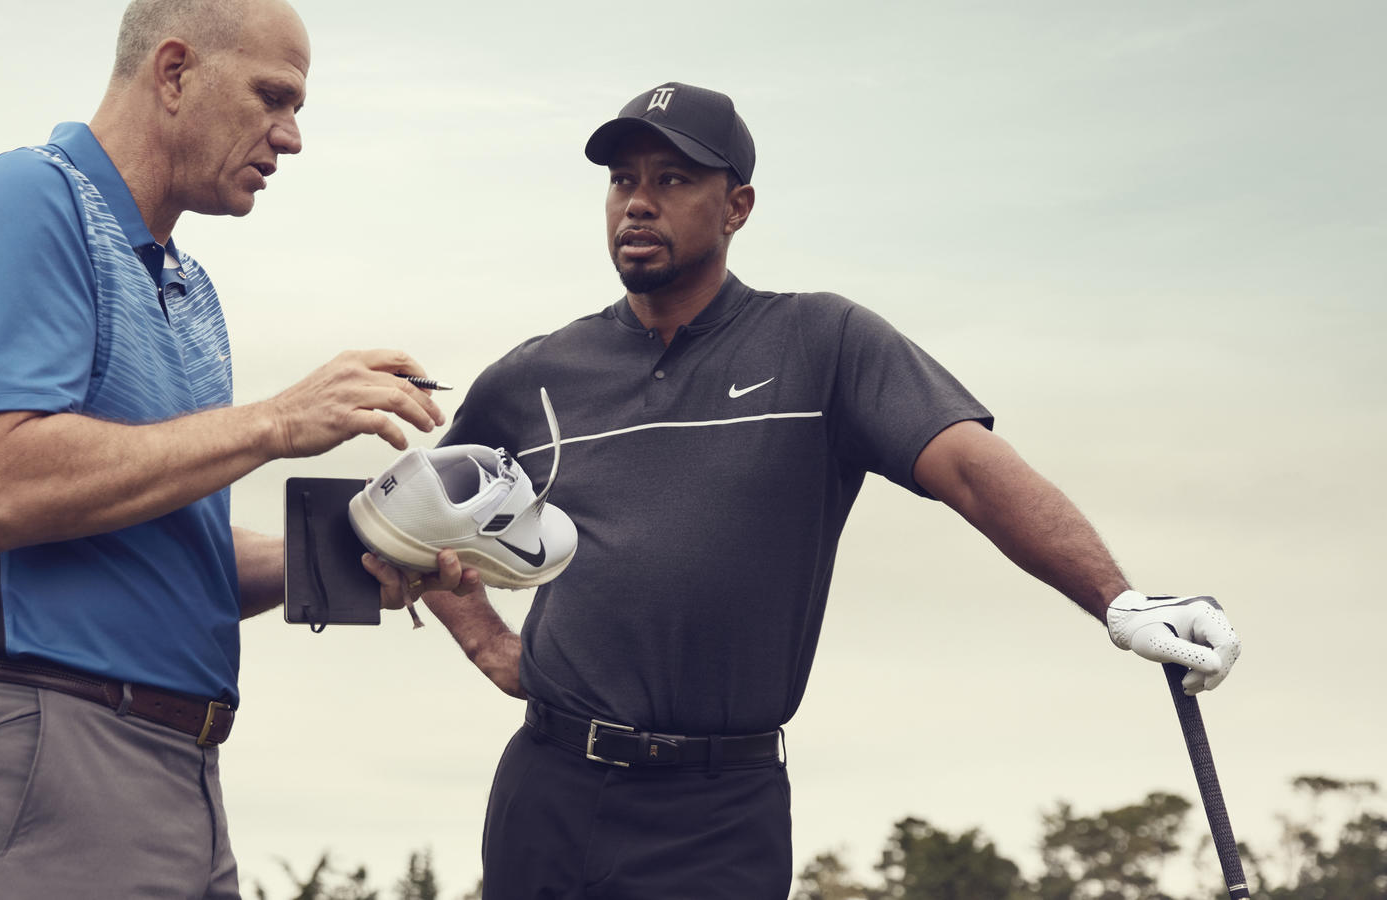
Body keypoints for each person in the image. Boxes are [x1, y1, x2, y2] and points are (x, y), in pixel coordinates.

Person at [362, 82, 1243, 898]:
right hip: (547, 787)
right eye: (623, 180)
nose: (637, 201)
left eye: (671, 179)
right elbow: (408, 513)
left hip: (718, 810)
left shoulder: (822, 342)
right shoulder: (537, 372)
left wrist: (1116, 600)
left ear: (737, 205)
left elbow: (973, 471)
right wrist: (488, 643)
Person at [0, 1, 445, 897]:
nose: (292, 136)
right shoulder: (26, 198)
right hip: (42, 743)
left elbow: (167, 559)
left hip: (178, 769)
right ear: (175, 71)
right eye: (273, 97)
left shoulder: (189, 287)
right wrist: (278, 421)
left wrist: (359, 546)